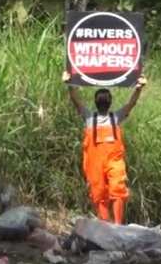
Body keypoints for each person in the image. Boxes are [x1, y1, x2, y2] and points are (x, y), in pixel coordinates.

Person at [63, 72, 146, 224]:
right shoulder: (89, 117)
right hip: (95, 163)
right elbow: (76, 101)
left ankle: (118, 226)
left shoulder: (116, 116)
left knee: (118, 190)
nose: (104, 100)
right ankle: (106, 225)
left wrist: (139, 88)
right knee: (98, 193)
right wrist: (69, 84)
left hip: (114, 161)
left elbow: (131, 104)